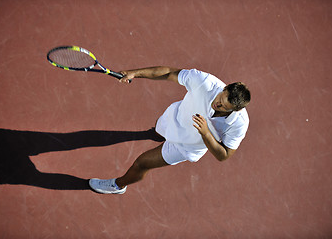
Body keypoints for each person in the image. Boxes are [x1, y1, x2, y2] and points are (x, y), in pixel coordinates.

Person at [89, 66, 251, 194]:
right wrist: (134, 73)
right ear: (224, 89)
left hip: (185, 147)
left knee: (141, 163)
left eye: (224, 106)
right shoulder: (204, 82)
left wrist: (206, 133)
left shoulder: (239, 124)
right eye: (220, 99)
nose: (218, 104)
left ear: (235, 110)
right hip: (174, 118)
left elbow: (223, 155)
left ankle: (118, 185)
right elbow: (169, 72)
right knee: (157, 131)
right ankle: (156, 134)